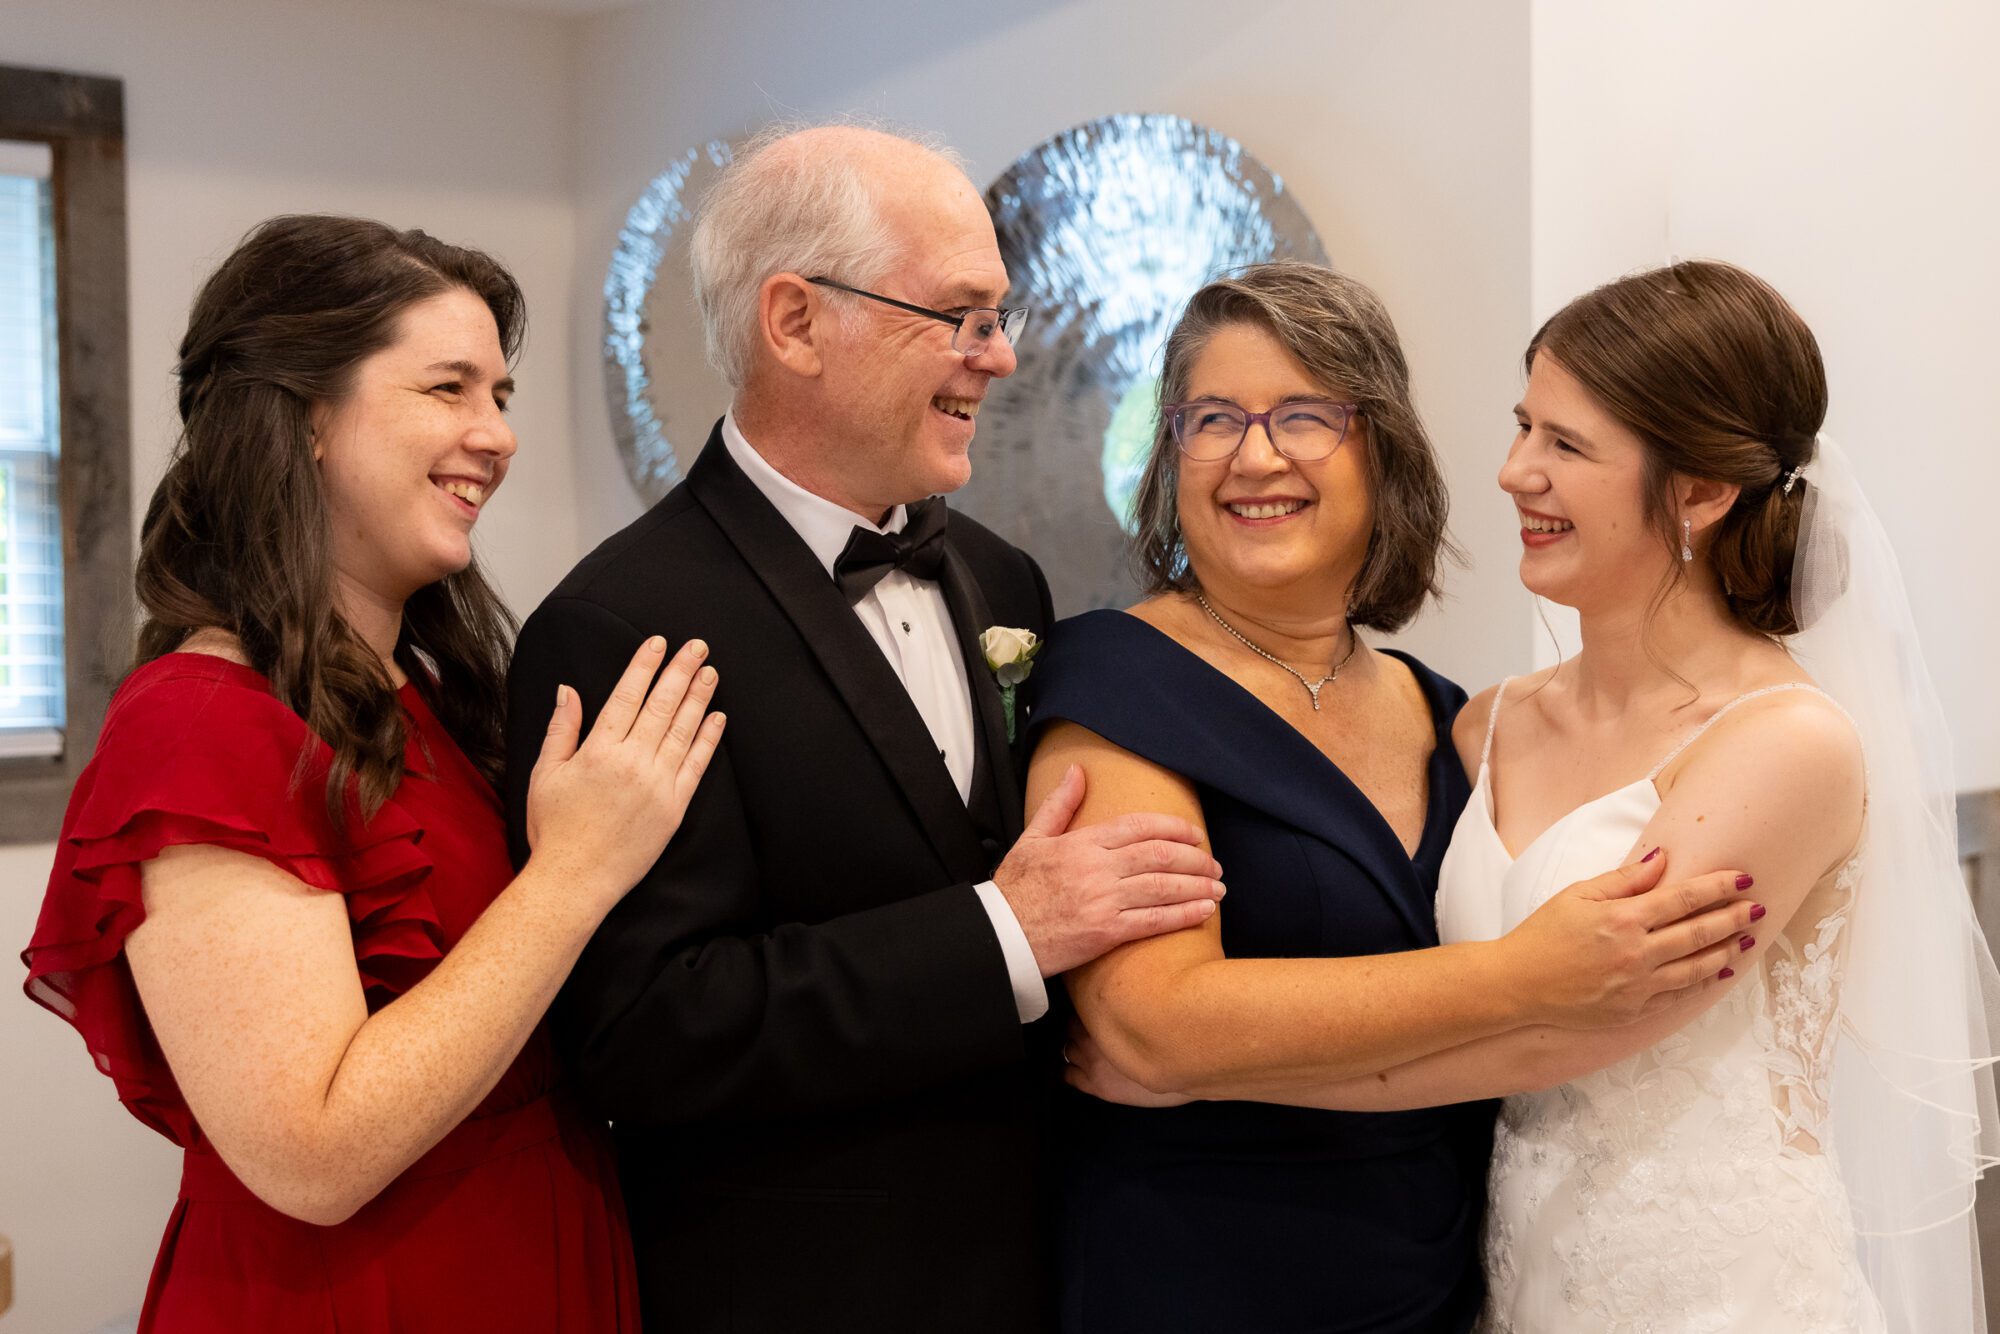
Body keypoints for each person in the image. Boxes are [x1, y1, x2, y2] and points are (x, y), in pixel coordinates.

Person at [1069, 261, 2000, 1332]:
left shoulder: (1785, 743)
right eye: (1522, 428)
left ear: (1696, 490)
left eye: (1564, 444)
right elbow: (1500, 996)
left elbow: (1560, 1037)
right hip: (1512, 1270)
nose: (1513, 472)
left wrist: (1204, 1078)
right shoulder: (1482, 724)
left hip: (1708, 1282)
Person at [499, 124, 1229, 1334]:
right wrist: (1005, 929)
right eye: (959, 314)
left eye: (997, 315)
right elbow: (644, 1029)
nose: (998, 356)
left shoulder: (1003, 581)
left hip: (1045, 1267)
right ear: (794, 322)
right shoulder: (621, 621)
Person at [21, 215, 725, 1332]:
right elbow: (311, 1151)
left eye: (499, 394)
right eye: (448, 387)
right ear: (304, 417)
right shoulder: (202, 723)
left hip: (537, 1241)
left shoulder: (434, 695)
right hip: (360, 1292)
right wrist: (575, 871)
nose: (494, 435)